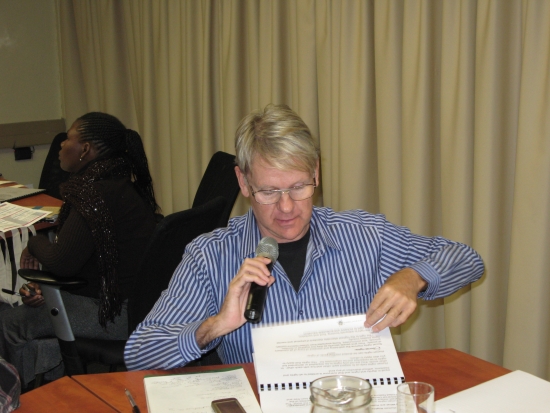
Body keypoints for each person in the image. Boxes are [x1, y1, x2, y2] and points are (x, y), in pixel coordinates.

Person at [124, 104, 484, 370]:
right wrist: (214, 326)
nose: (286, 208)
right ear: (243, 183)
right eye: (268, 191)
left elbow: (466, 258)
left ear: (316, 173)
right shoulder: (211, 256)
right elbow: (138, 356)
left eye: (298, 187)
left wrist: (413, 278)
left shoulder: (363, 236)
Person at [0, 112, 160, 388]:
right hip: (140, 307)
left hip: (114, 315)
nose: (61, 145)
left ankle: (19, 397)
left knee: (9, 322)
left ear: (85, 149)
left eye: (68, 138)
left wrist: (33, 243)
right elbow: (82, 258)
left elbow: (61, 264)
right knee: (40, 309)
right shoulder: (119, 183)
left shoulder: (92, 194)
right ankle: (53, 380)